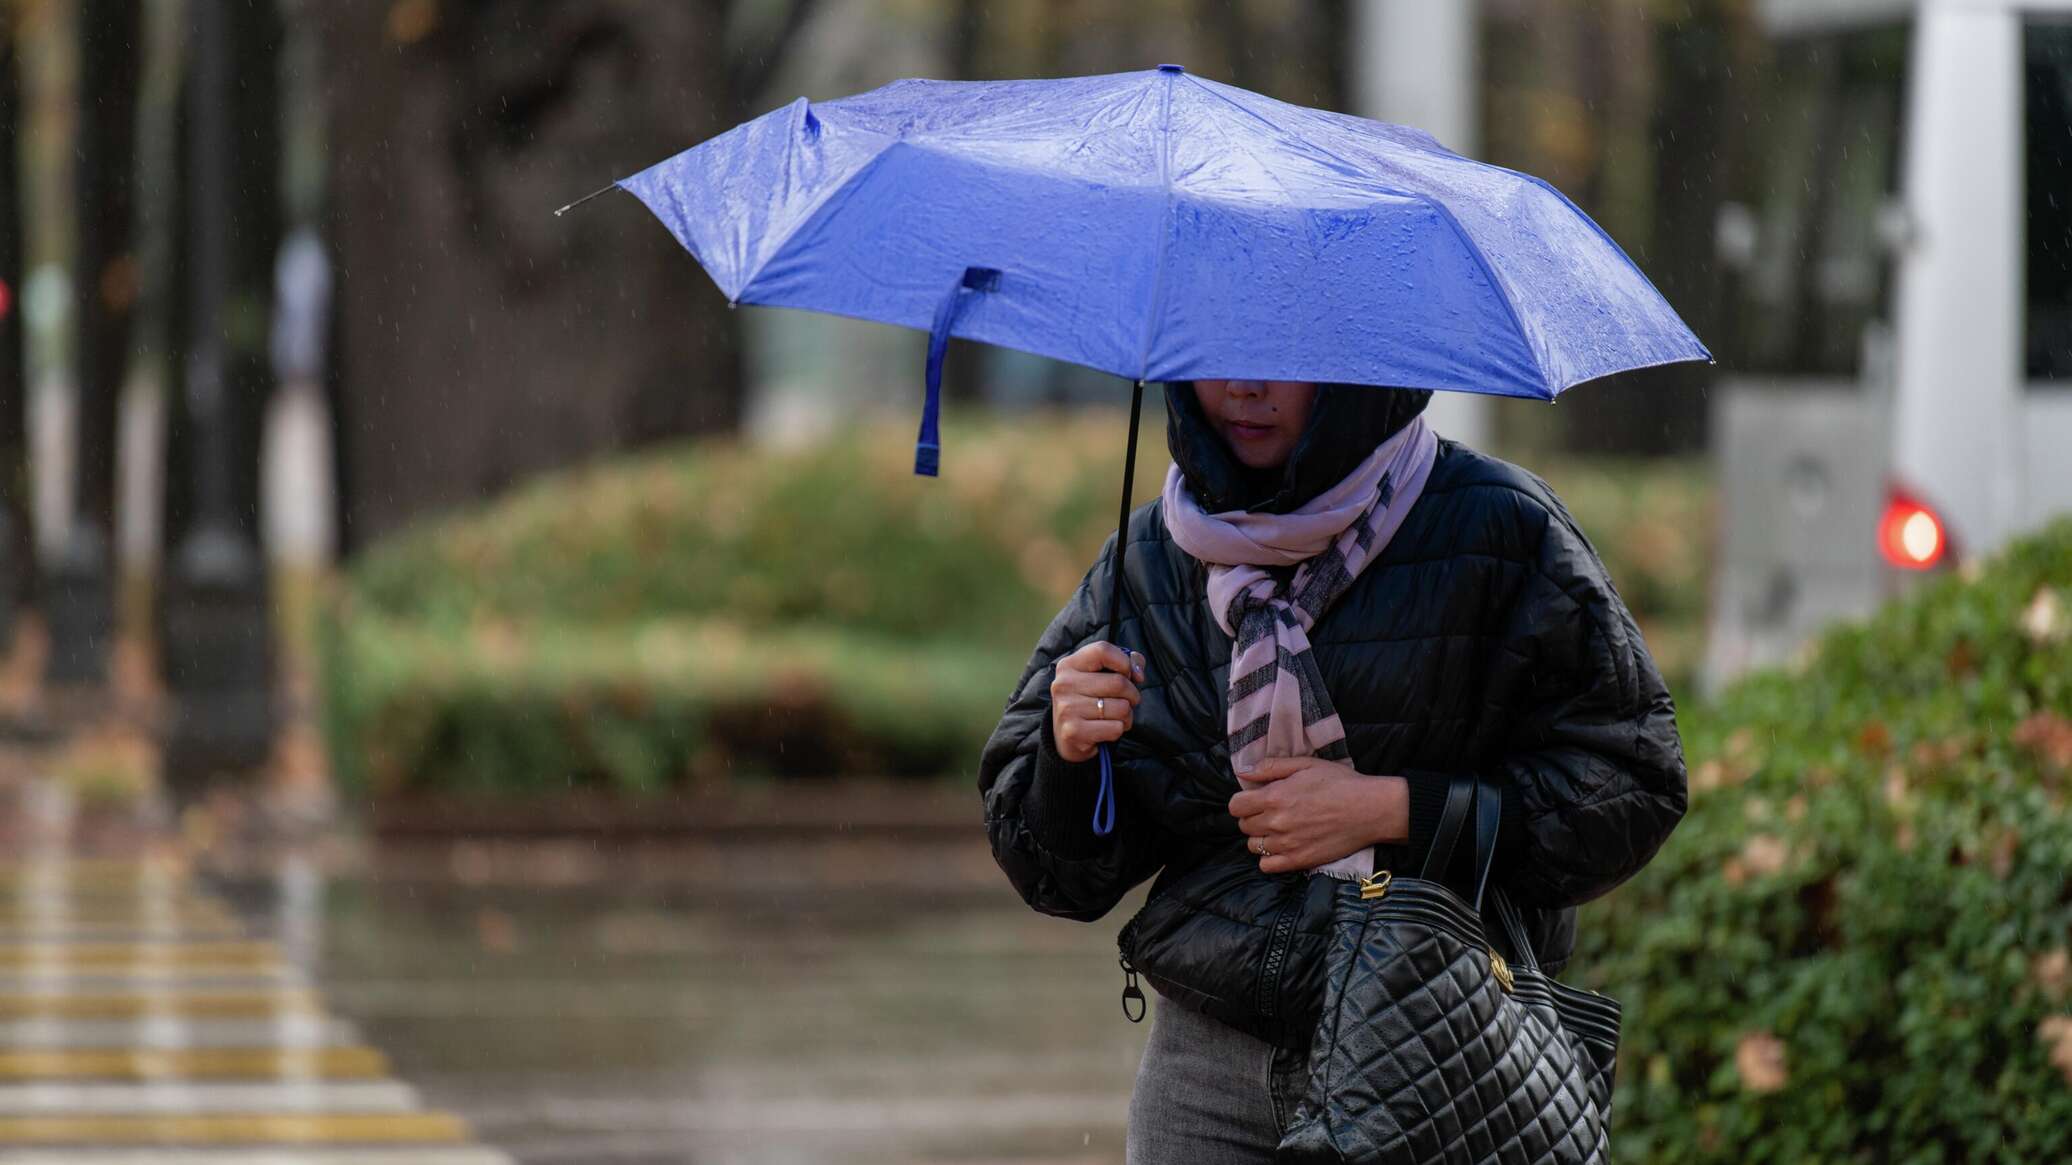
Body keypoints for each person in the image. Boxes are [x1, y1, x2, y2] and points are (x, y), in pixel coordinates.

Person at [976, 379, 1687, 1163]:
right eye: (1221, 352)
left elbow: (1632, 780)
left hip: (1432, 1056)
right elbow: (1062, 874)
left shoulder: (1500, 528)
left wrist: (1395, 809)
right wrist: (1068, 752)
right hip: (1205, 1074)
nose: (1245, 386)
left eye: (1282, 355)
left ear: (1353, 370)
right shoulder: (1153, 559)